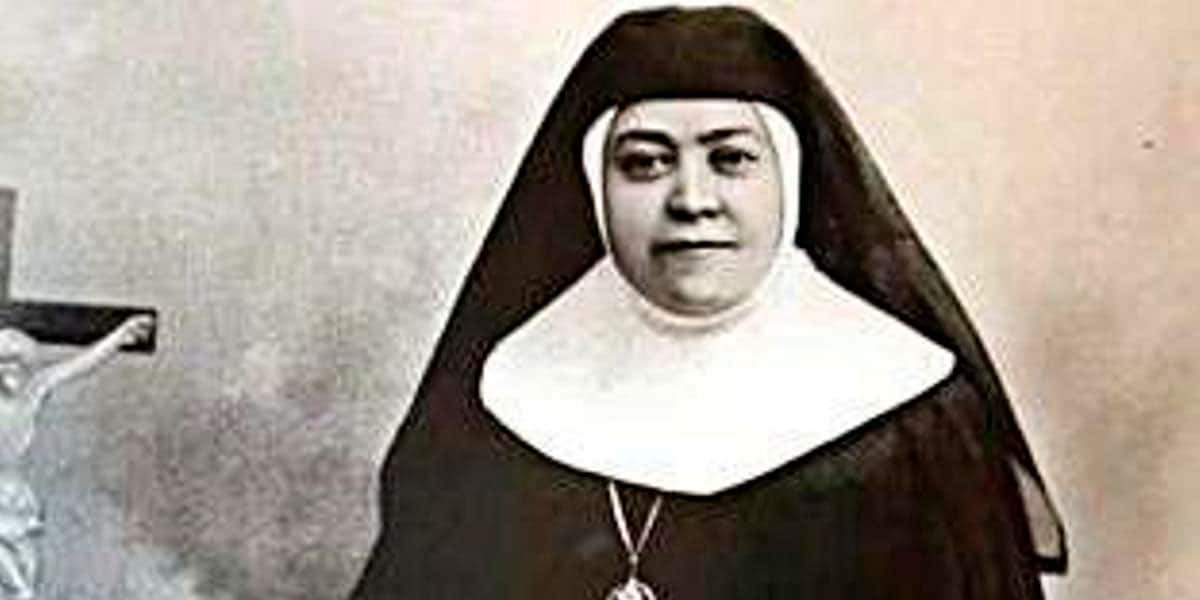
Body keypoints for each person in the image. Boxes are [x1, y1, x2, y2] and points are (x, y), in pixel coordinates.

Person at [351, 6, 1065, 599]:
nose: (692, 200)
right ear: (596, 190)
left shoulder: (918, 424)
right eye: (644, 164)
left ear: (789, 179)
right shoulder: (495, 411)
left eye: (731, 159)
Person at [0, 315, 154, 599]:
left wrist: (120, 336)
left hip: (14, 495)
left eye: (18, 364)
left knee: (24, 567)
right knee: (13, 577)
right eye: (3, 363)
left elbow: (80, 365)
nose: (11, 371)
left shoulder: (34, 391)